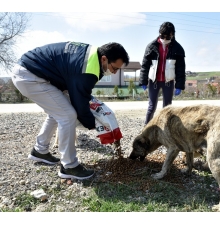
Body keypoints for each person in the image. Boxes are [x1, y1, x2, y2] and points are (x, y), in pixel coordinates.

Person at [11, 41, 129, 180]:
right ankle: (69, 166)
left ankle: (40, 150)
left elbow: (81, 93)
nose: (114, 72)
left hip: (33, 71)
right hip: (30, 76)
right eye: (114, 68)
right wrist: (95, 125)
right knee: (67, 115)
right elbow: (80, 102)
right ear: (104, 58)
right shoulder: (88, 69)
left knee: (58, 112)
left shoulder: (92, 57)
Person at [139, 21, 186, 125]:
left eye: (167, 37)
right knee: (151, 107)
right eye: (162, 36)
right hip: (154, 82)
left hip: (168, 82)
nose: (164, 39)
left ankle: (165, 131)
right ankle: (146, 129)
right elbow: (145, 65)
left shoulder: (178, 48)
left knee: (167, 108)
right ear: (159, 33)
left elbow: (180, 69)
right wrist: (143, 81)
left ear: (172, 35)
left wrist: (179, 85)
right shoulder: (151, 46)